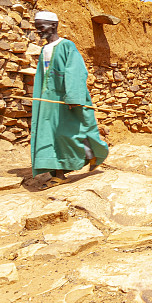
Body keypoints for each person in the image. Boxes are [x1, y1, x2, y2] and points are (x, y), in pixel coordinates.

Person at [30, 11, 109, 187]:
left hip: (67, 99)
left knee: (71, 133)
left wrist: (73, 97)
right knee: (51, 134)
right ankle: (58, 172)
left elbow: (75, 70)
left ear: (53, 25)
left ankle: (91, 153)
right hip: (48, 100)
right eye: (37, 28)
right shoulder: (44, 49)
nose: (39, 32)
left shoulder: (67, 46)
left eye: (41, 27)